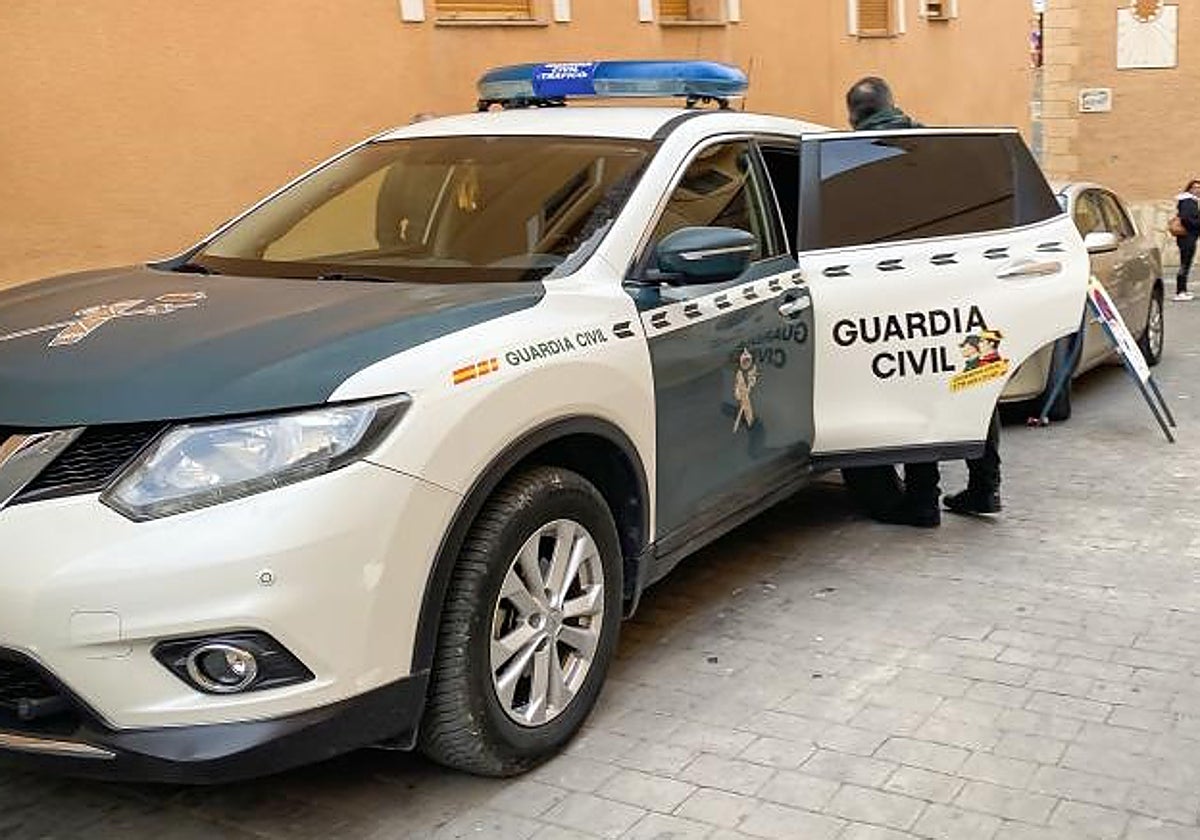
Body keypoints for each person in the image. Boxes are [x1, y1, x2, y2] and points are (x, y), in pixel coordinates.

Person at [840, 76, 1002, 527]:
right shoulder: (941, 149)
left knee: (916, 389)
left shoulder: (856, 157)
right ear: (895, 103)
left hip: (901, 292)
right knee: (976, 384)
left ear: (855, 115)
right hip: (966, 287)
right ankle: (985, 488)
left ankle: (922, 501)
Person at [1173, 180, 1200, 302]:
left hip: (1188, 236)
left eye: (1199, 188)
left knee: (1186, 263)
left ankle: (1183, 290)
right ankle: (1180, 291)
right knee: (1185, 263)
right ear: (1189, 189)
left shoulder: (1190, 201)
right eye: (1195, 187)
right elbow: (1186, 218)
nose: (1197, 190)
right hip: (1187, 237)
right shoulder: (1188, 201)